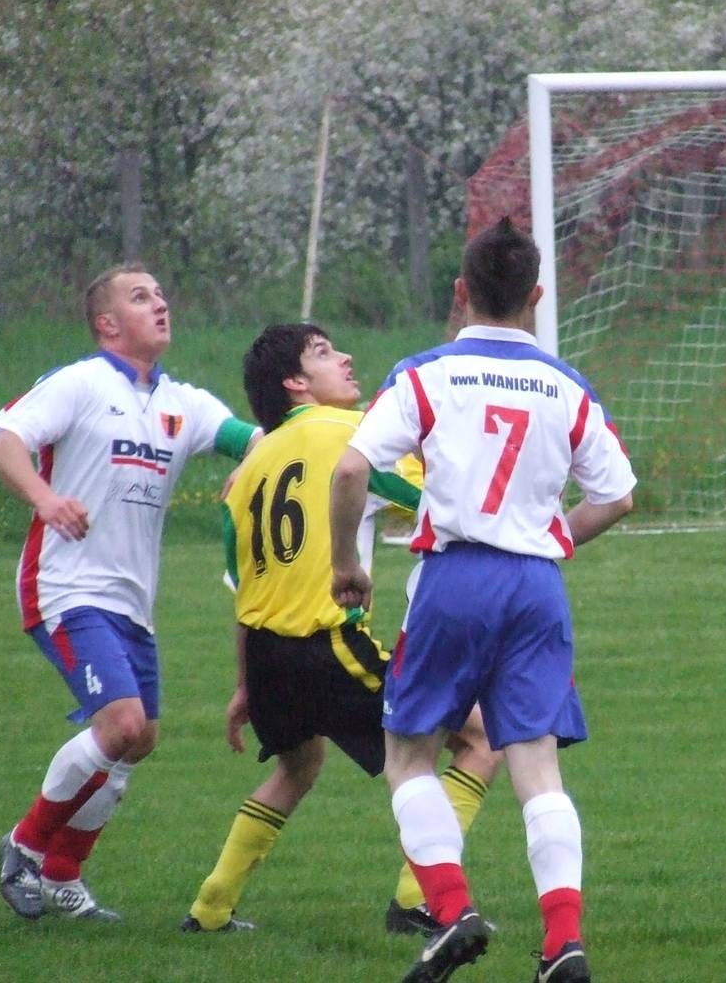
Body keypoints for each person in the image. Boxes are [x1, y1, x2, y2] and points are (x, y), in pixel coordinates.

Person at [329, 217, 636, 983]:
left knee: (408, 755)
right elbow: (618, 497)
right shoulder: (566, 386)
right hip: (536, 587)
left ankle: (451, 909)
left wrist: (345, 564)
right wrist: (548, 539)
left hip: (455, 577)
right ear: (536, 296)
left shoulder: (426, 373)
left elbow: (350, 470)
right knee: (537, 767)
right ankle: (562, 943)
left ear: (461, 291)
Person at [181, 323, 501, 935]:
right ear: (295, 383)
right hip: (327, 644)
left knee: (297, 768)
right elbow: (433, 497)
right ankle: (418, 901)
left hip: (267, 653)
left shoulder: (246, 473)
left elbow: (246, 595)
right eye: (324, 353)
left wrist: (245, 685)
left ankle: (210, 909)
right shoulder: (352, 434)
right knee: (484, 739)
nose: (346, 357)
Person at [0, 263, 261, 921]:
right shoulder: (80, 383)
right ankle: (23, 847)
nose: (160, 304)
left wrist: (254, 463)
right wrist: (46, 499)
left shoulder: (184, 404)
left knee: (140, 740)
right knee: (123, 725)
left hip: (133, 604)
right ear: (107, 324)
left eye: (162, 295)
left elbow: (259, 440)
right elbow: (6, 442)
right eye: (141, 298)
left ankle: (63, 875)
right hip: (66, 587)